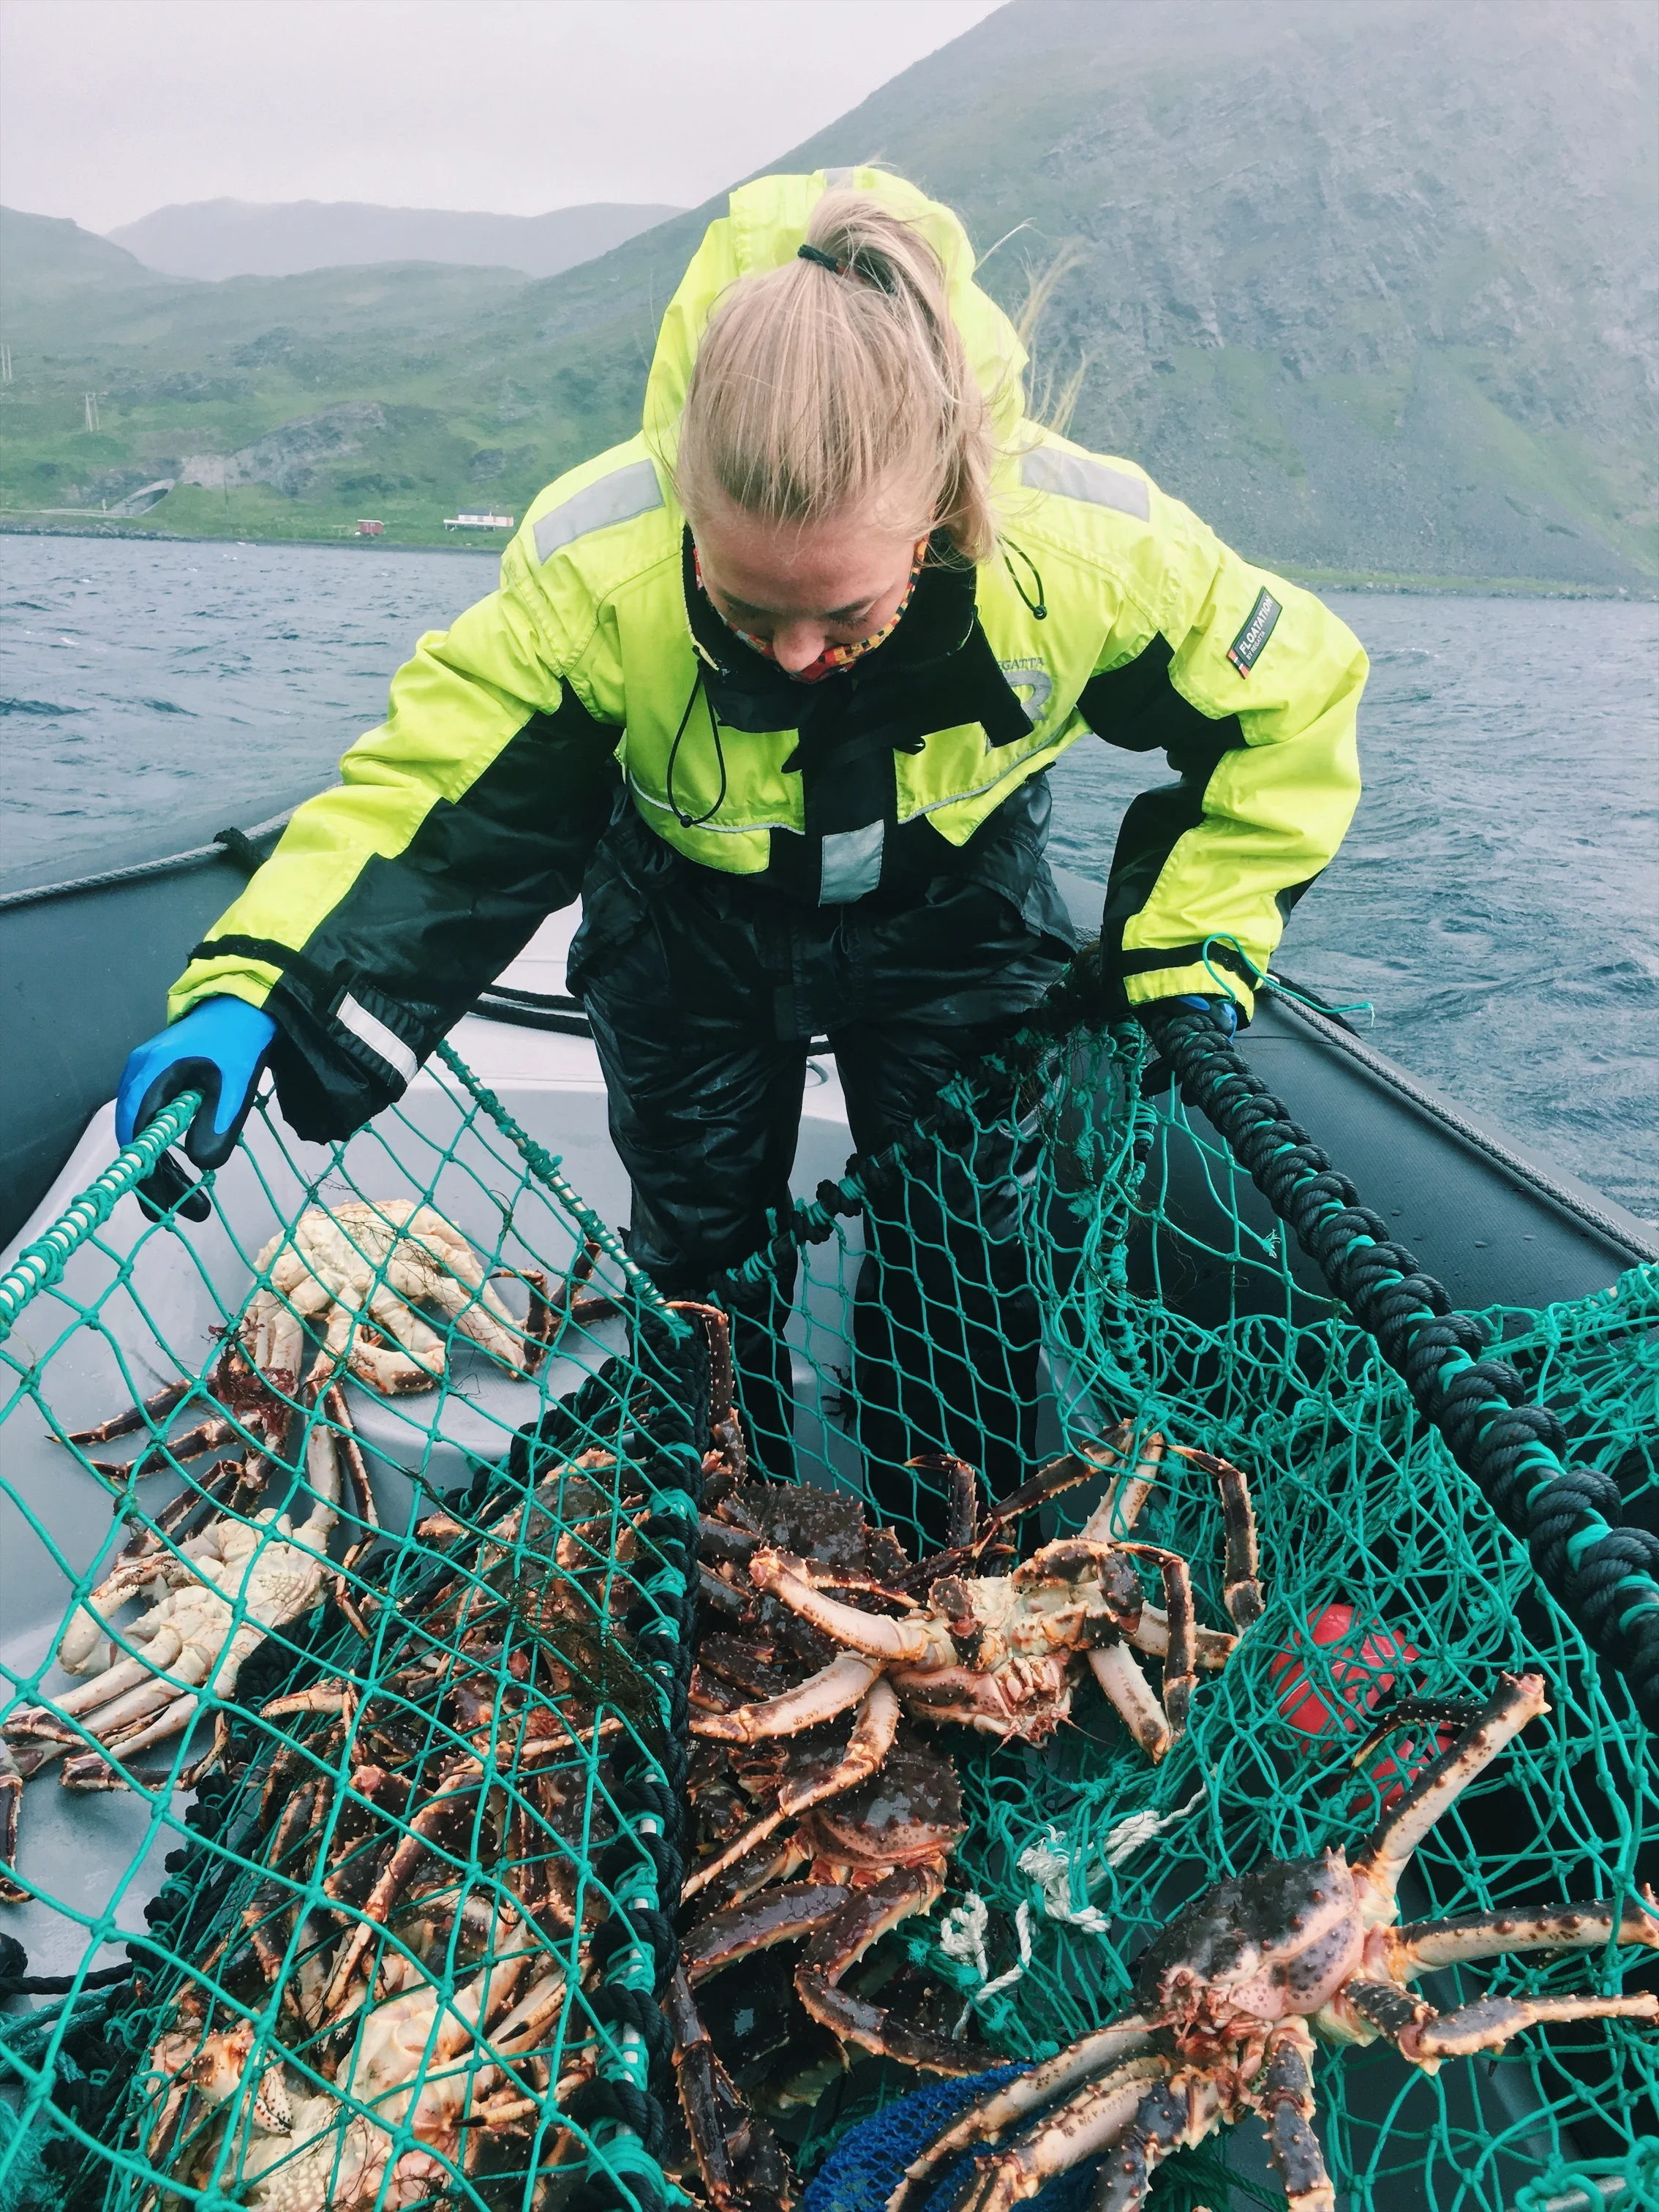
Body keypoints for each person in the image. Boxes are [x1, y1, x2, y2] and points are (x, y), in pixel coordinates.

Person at [117, 168, 1366, 1520]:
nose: (796, 655)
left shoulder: (1087, 552)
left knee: (966, 1252)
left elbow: (1290, 703)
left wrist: (1190, 937)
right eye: (747, 603)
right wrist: (257, 982)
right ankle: (718, 1553)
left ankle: (950, 1546)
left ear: (946, 513)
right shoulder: (598, 568)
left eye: (845, 610)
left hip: (953, 901)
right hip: (684, 916)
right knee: (704, 1258)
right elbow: (430, 801)